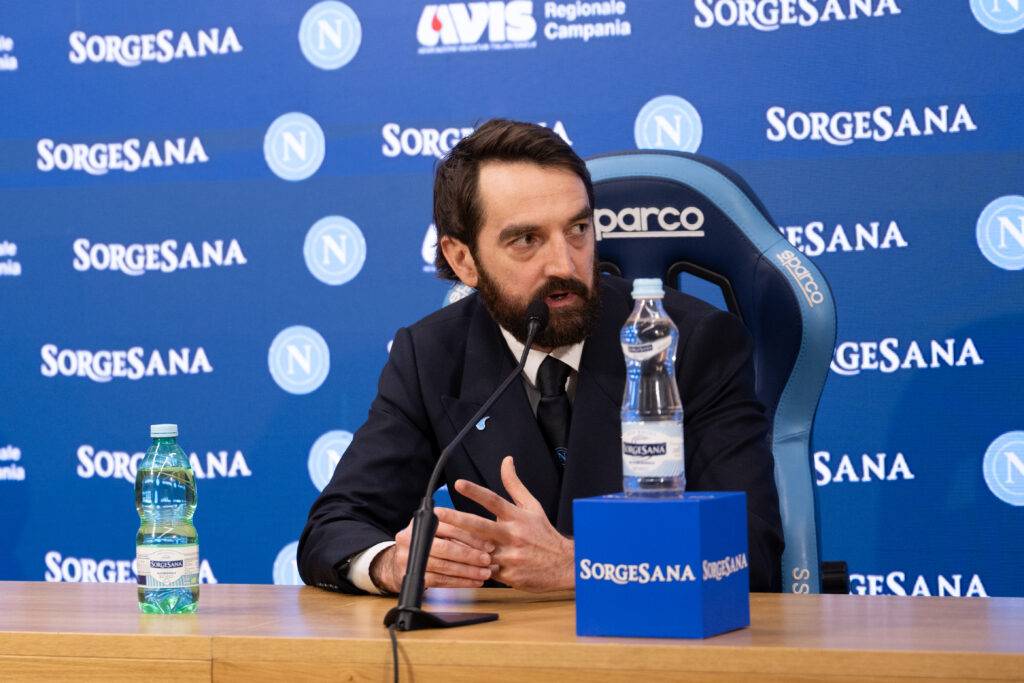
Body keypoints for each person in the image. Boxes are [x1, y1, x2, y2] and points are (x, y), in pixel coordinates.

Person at [298, 119, 783, 595]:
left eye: (578, 229)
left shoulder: (689, 343)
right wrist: (391, 565)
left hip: (656, 638)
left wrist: (580, 563)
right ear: (463, 259)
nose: (565, 264)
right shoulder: (432, 356)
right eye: (527, 240)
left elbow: (751, 548)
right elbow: (336, 526)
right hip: (508, 643)